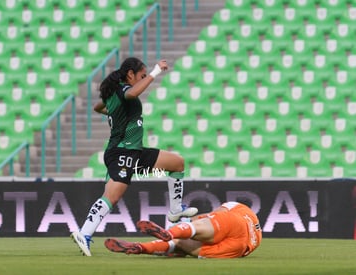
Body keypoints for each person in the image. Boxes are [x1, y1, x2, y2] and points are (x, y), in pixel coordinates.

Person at [71, 57, 198, 256]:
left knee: (177, 163)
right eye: (142, 75)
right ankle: (84, 234)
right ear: (130, 74)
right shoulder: (123, 90)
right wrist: (156, 72)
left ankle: (175, 211)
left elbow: (98, 107)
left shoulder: (115, 95)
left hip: (135, 150)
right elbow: (132, 93)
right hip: (122, 151)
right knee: (112, 196)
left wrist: (114, 112)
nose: (143, 79)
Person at [105, 201, 262, 258]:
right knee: (180, 244)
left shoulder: (239, 209)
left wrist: (188, 221)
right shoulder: (249, 219)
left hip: (237, 224)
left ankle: (170, 233)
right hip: (240, 249)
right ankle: (142, 247)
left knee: (193, 228)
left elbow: (214, 215)